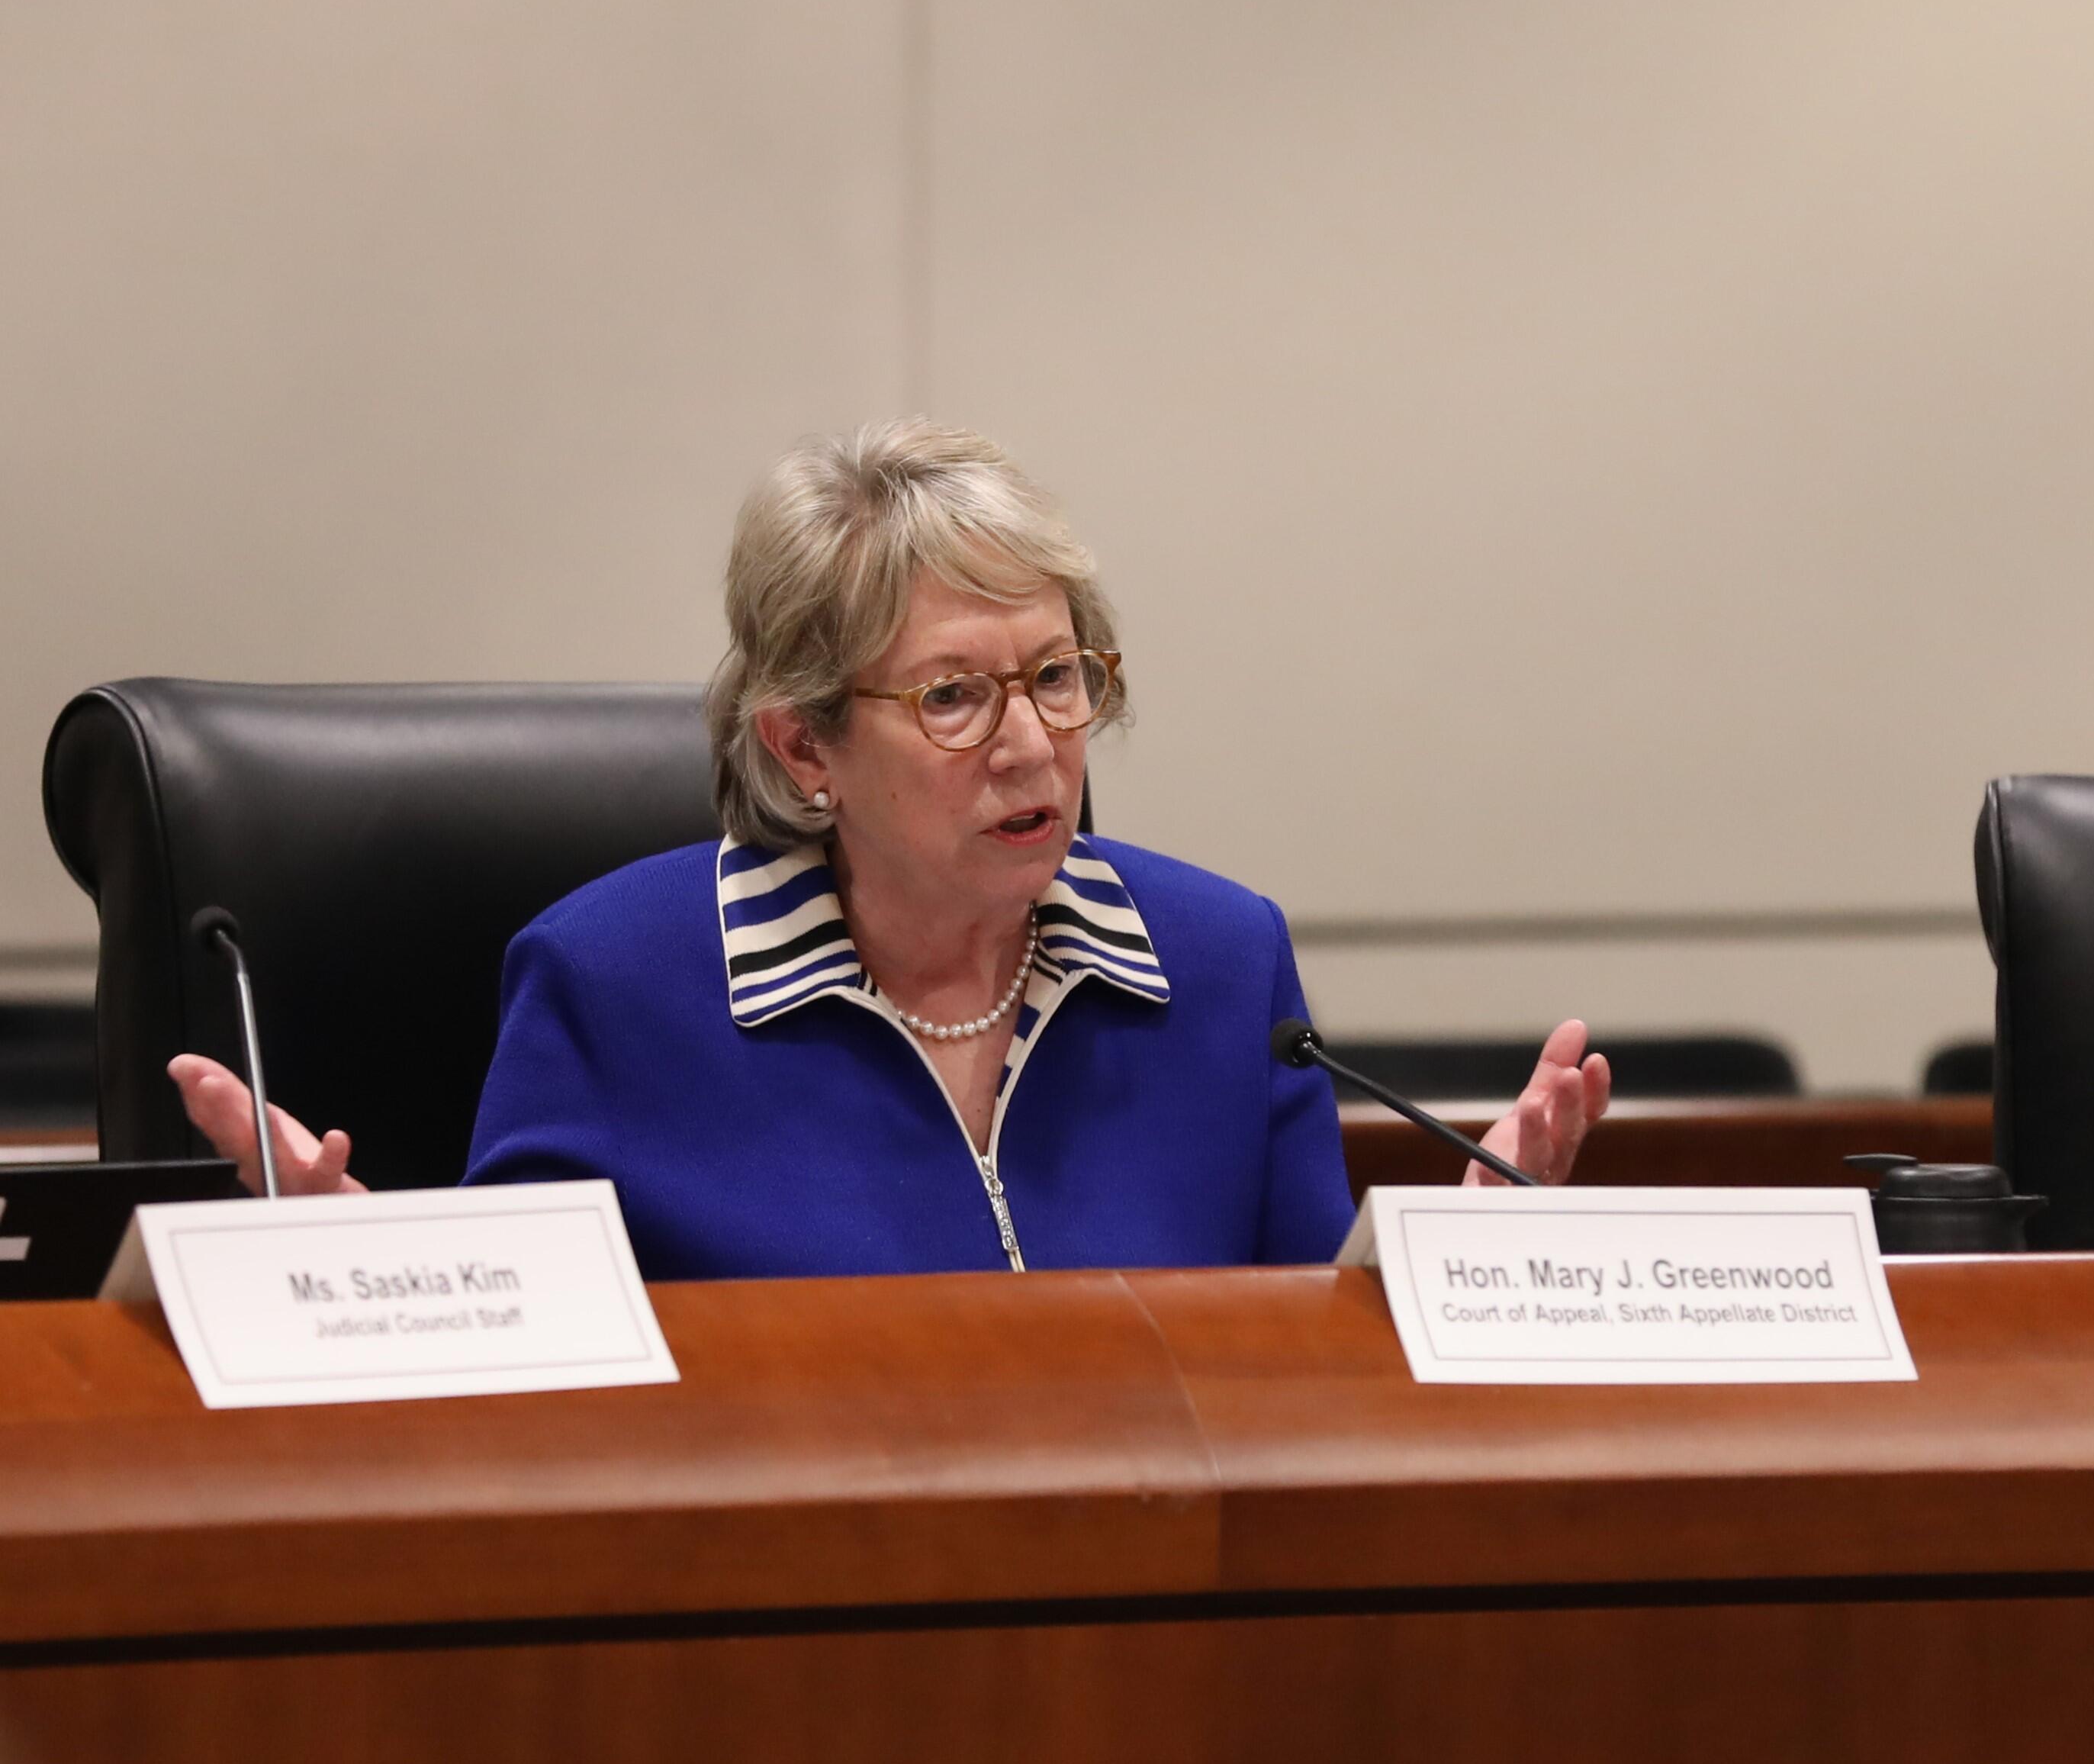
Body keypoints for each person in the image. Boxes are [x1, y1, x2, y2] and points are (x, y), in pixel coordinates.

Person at [163, 420, 1610, 1276]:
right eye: (951, 697)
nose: (1036, 743)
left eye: (1058, 675)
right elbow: (531, 1378)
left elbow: (1302, 1370)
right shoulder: (617, 984)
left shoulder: (1220, 966)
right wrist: (360, 1270)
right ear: (804, 749)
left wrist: (1440, 1275)